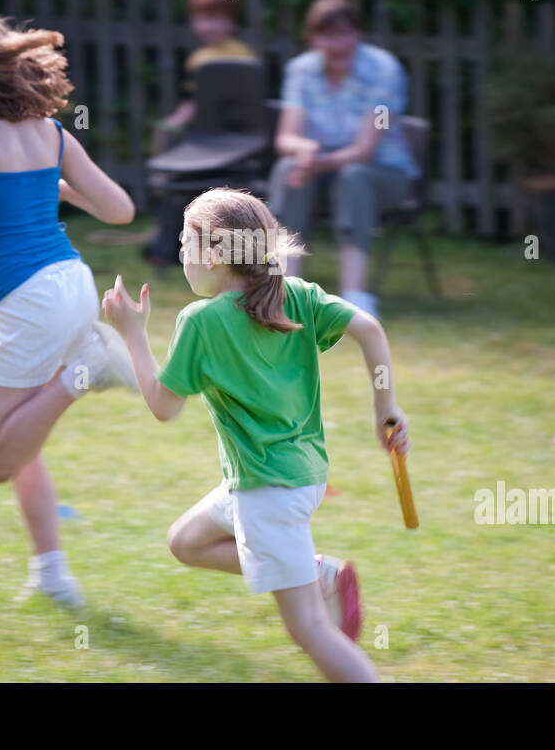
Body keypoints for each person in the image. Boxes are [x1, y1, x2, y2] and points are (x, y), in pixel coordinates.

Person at [101, 187, 411, 683]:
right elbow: (369, 328)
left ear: (218, 254)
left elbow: (163, 407)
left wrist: (133, 334)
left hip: (267, 493)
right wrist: (386, 407)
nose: (180, 254)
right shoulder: (298, 295)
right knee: (186, 541)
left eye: (186, 244)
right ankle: (317, 573)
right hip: (292, 478)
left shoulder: (201, 321)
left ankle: (318, 592)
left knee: (310, 630)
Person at [0, 15, 138, 607]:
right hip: (72, 283)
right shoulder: (48, 132)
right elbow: (121, 209)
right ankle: (52, 574)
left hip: (28, 300)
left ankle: (86, 371)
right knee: (21, 439)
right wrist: (54, 183)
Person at [268, 0, 419, 319]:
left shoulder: (383, 70)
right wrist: (304, 152)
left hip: (383, 173)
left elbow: (364, 150)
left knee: (353, 176)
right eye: (327, 35)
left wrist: (315, 162)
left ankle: (354, 295)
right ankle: (287, 290)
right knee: (287, 168)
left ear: (358, 34)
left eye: (344, 34)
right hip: (320, 170)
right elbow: (286, 138)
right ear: (312, 38)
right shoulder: (300, 70)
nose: (336, 43)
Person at [144, 0, 259, 267]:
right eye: (202, 19)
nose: (207, 26)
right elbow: (194, 102)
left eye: (216, 18)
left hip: (237, 142)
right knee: (174, 185)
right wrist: (168, 126)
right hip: (202, 140)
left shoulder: (242, 56)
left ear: (231, 22)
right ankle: (167, 247)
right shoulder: (198, 59)